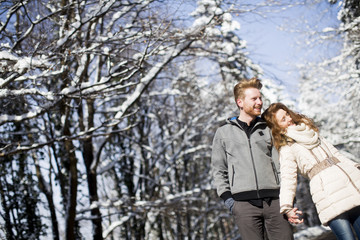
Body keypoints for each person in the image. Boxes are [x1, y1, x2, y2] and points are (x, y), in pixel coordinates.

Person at [262, 102, 360, 240]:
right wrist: (287, 206)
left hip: (350, 187)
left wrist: (356, 168)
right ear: (277, 128)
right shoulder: (287, 148)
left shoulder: (313, 133)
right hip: (327, 196)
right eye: (283, 119)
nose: (289, 119)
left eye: (287, 114)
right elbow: (288, 178)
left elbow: (337, 155)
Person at [211, 78, 294, 240]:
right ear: (240, 102)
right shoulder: (223, 133)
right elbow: (218, 169)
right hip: (243, 205)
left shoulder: (268, 129)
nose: (259, 102)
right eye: (254, 98)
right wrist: (229, 201)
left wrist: (287, 197)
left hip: (275, 202)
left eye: (260, 98)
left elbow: (281, 164)